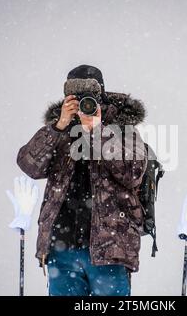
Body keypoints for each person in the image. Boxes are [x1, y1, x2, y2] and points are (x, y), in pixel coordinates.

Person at [17, 65, 148, 296]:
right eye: (73, 94)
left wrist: (97, 131)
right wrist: (58, 126)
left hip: (109, 249)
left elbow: (133, 173)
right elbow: (30, 166)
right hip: (61, 248)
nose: (81, 101)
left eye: (87, 95)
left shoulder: (123, 129)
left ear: (101, 95)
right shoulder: (61, 130)